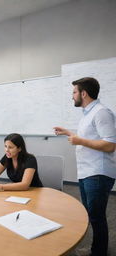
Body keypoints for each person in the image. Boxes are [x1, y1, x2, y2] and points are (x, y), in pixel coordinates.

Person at [54, 77, 116, 256]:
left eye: (74, 92)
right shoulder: (88, 114)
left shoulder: (101, 112)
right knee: (92, 215)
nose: (72, 96)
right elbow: (92, 138)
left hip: (98, 173)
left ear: (83, 93)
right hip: (88, 171)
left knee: (96, 217)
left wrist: (79, 140)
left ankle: (98, 252)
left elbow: (110, 144)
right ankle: (96, 249)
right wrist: (69, 133)